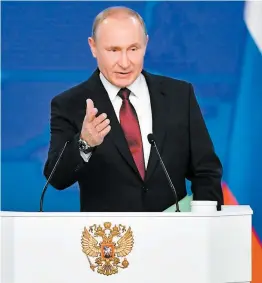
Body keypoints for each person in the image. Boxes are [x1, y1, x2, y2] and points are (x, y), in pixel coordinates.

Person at [44, 6, 224, 212]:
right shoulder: (70, 104)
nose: (125, 62)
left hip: (174, 237)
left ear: (146, 44)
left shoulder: (180, 96)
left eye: (133, 49)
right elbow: (56, 178)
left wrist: (204, 226)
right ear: (93, 47)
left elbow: (206, 171)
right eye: (113, 50)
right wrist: (85, 144)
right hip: (110, 241)